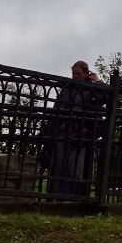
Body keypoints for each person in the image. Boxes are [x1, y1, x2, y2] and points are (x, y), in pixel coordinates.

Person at [45, 61, 104, 198]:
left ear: (86, 74)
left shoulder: (92, 89)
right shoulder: (67, 88)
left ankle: (75, 200)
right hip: (63, 132)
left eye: (78, 73)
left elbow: (107, 97)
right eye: (73, 73)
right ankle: (55, 199)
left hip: (82, 136)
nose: (75, 76)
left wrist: (97, 81)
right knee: (58, 169)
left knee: (75, 171)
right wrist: (50, 129)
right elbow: (57, 108)